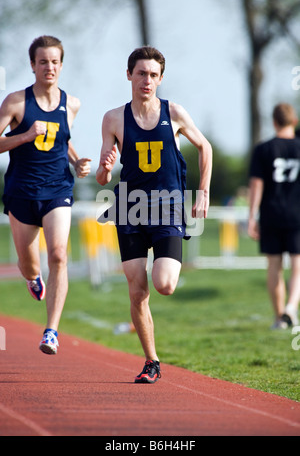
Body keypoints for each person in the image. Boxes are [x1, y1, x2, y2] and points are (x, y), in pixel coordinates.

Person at [96, 46, 212, 383]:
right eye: (141, 73)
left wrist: (202, 191)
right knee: (137, 290)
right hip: (130, 206)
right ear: (129, 74)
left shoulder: (173, 112)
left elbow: (204, 146)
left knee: (164, 284)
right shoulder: (113, 118)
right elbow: (104, 176)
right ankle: (152, 361)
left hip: (168, 206)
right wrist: (104, 170)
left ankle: (152, 356)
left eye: (153, 75)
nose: (147, 80)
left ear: (161, 79)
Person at [0, 35, 91, 354]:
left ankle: (51, 331)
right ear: (32, 65)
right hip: (22, 191)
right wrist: (24, 135)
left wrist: (77, 161)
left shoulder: (72, 103)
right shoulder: (15, 102)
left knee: (59, 255)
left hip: (57, 189)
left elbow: (61, 140)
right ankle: (32, 278)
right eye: (42, 62)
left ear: (61, 65)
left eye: (54, 62)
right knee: (30, 265)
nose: (49, 67)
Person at [248, 103, 300, 329]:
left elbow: (256, 184)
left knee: (274, 266)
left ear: (274, 122)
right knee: (298, 265)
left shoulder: (263, 149)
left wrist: (251, 216)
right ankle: (291, 307)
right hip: (297, 214)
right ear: (294, 121)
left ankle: (280, 318)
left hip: (271, 213)